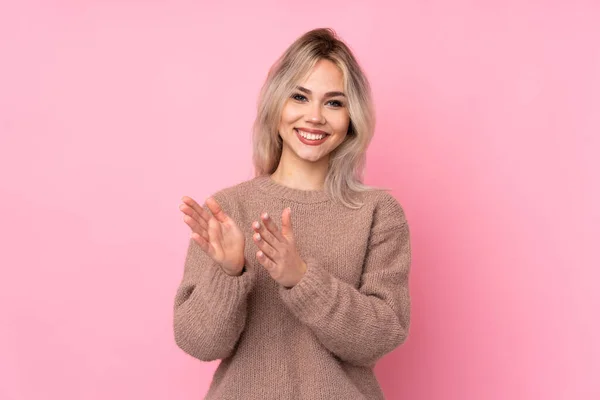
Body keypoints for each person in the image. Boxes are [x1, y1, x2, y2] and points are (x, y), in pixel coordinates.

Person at [174, 27, 411, 399]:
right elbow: (199, 343)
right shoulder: (228, 210)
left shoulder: (378, 213)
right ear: (277, 105)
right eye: (300, 97)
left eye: (334, 103)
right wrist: (229, 273)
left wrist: (302, 279)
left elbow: (380, 337)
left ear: (353, 117)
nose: (314, 116)